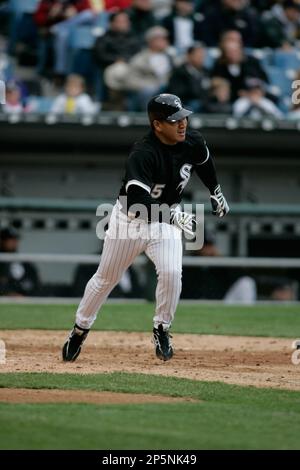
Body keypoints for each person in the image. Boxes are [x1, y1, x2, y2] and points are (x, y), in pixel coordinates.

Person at [62, 93, 229, 363]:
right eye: (174, 120)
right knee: (106, 279)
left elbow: (204, 161)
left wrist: (215, 191)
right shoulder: (143, 153)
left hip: (165, 220)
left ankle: (161, 328)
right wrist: (173, 218)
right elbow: (136, 203)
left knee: (172, 272)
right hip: (130, 221)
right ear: (157, 125)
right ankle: (80, 329)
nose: (182, 123)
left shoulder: (192, 140)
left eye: (183, 117)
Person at [0, 227, 40, 296]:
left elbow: (34, 282)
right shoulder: (2, 260)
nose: (14, 242)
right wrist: (9, 293)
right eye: (10, 239)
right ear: (2, 241)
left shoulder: (24, 262)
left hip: (23, 300)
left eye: (16, 239)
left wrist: (21, 294)